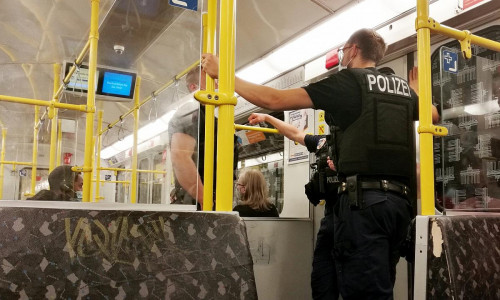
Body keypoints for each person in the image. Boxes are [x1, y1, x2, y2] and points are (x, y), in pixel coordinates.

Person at [202, 28, 439, 299]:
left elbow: (273, 99)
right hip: (400, 207)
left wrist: (223, 74)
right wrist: (415, 91)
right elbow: (432, 114)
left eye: (343, 51)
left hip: (364, 206)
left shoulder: (349, 82)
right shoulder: (401, 89)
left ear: (353, 50)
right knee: (378, 285)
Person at [249, 112, 339, 299]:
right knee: (321, 282)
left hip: (354, 218)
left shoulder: (358, 147)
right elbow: (295, 134)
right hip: (330, 220)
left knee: (354, 283)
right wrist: (267, 118)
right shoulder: (323, 142)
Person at [168, 66, 238, 210]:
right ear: (194, 87)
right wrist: (205, 200)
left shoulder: (211, 117)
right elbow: (181, 157)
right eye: (212, 81)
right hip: (197, 204)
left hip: (211, 201)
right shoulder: (190, 111)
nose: (217, 85)